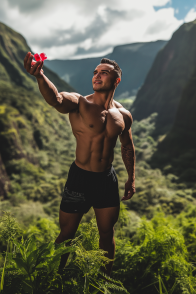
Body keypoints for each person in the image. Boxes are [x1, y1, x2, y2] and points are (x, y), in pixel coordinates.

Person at [23, 52, 136, 276]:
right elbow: (56, 98)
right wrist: (40, 76)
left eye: (104, 73)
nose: (97, 76)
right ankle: (53, 280)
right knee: (67, 233)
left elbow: (127, 147)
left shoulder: (123, 115)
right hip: (80, 178)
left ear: (117, 80)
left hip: (106, 179)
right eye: (95, 72)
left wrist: (131, 179)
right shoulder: (80, 103)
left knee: (106, 233)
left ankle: (103, 281)